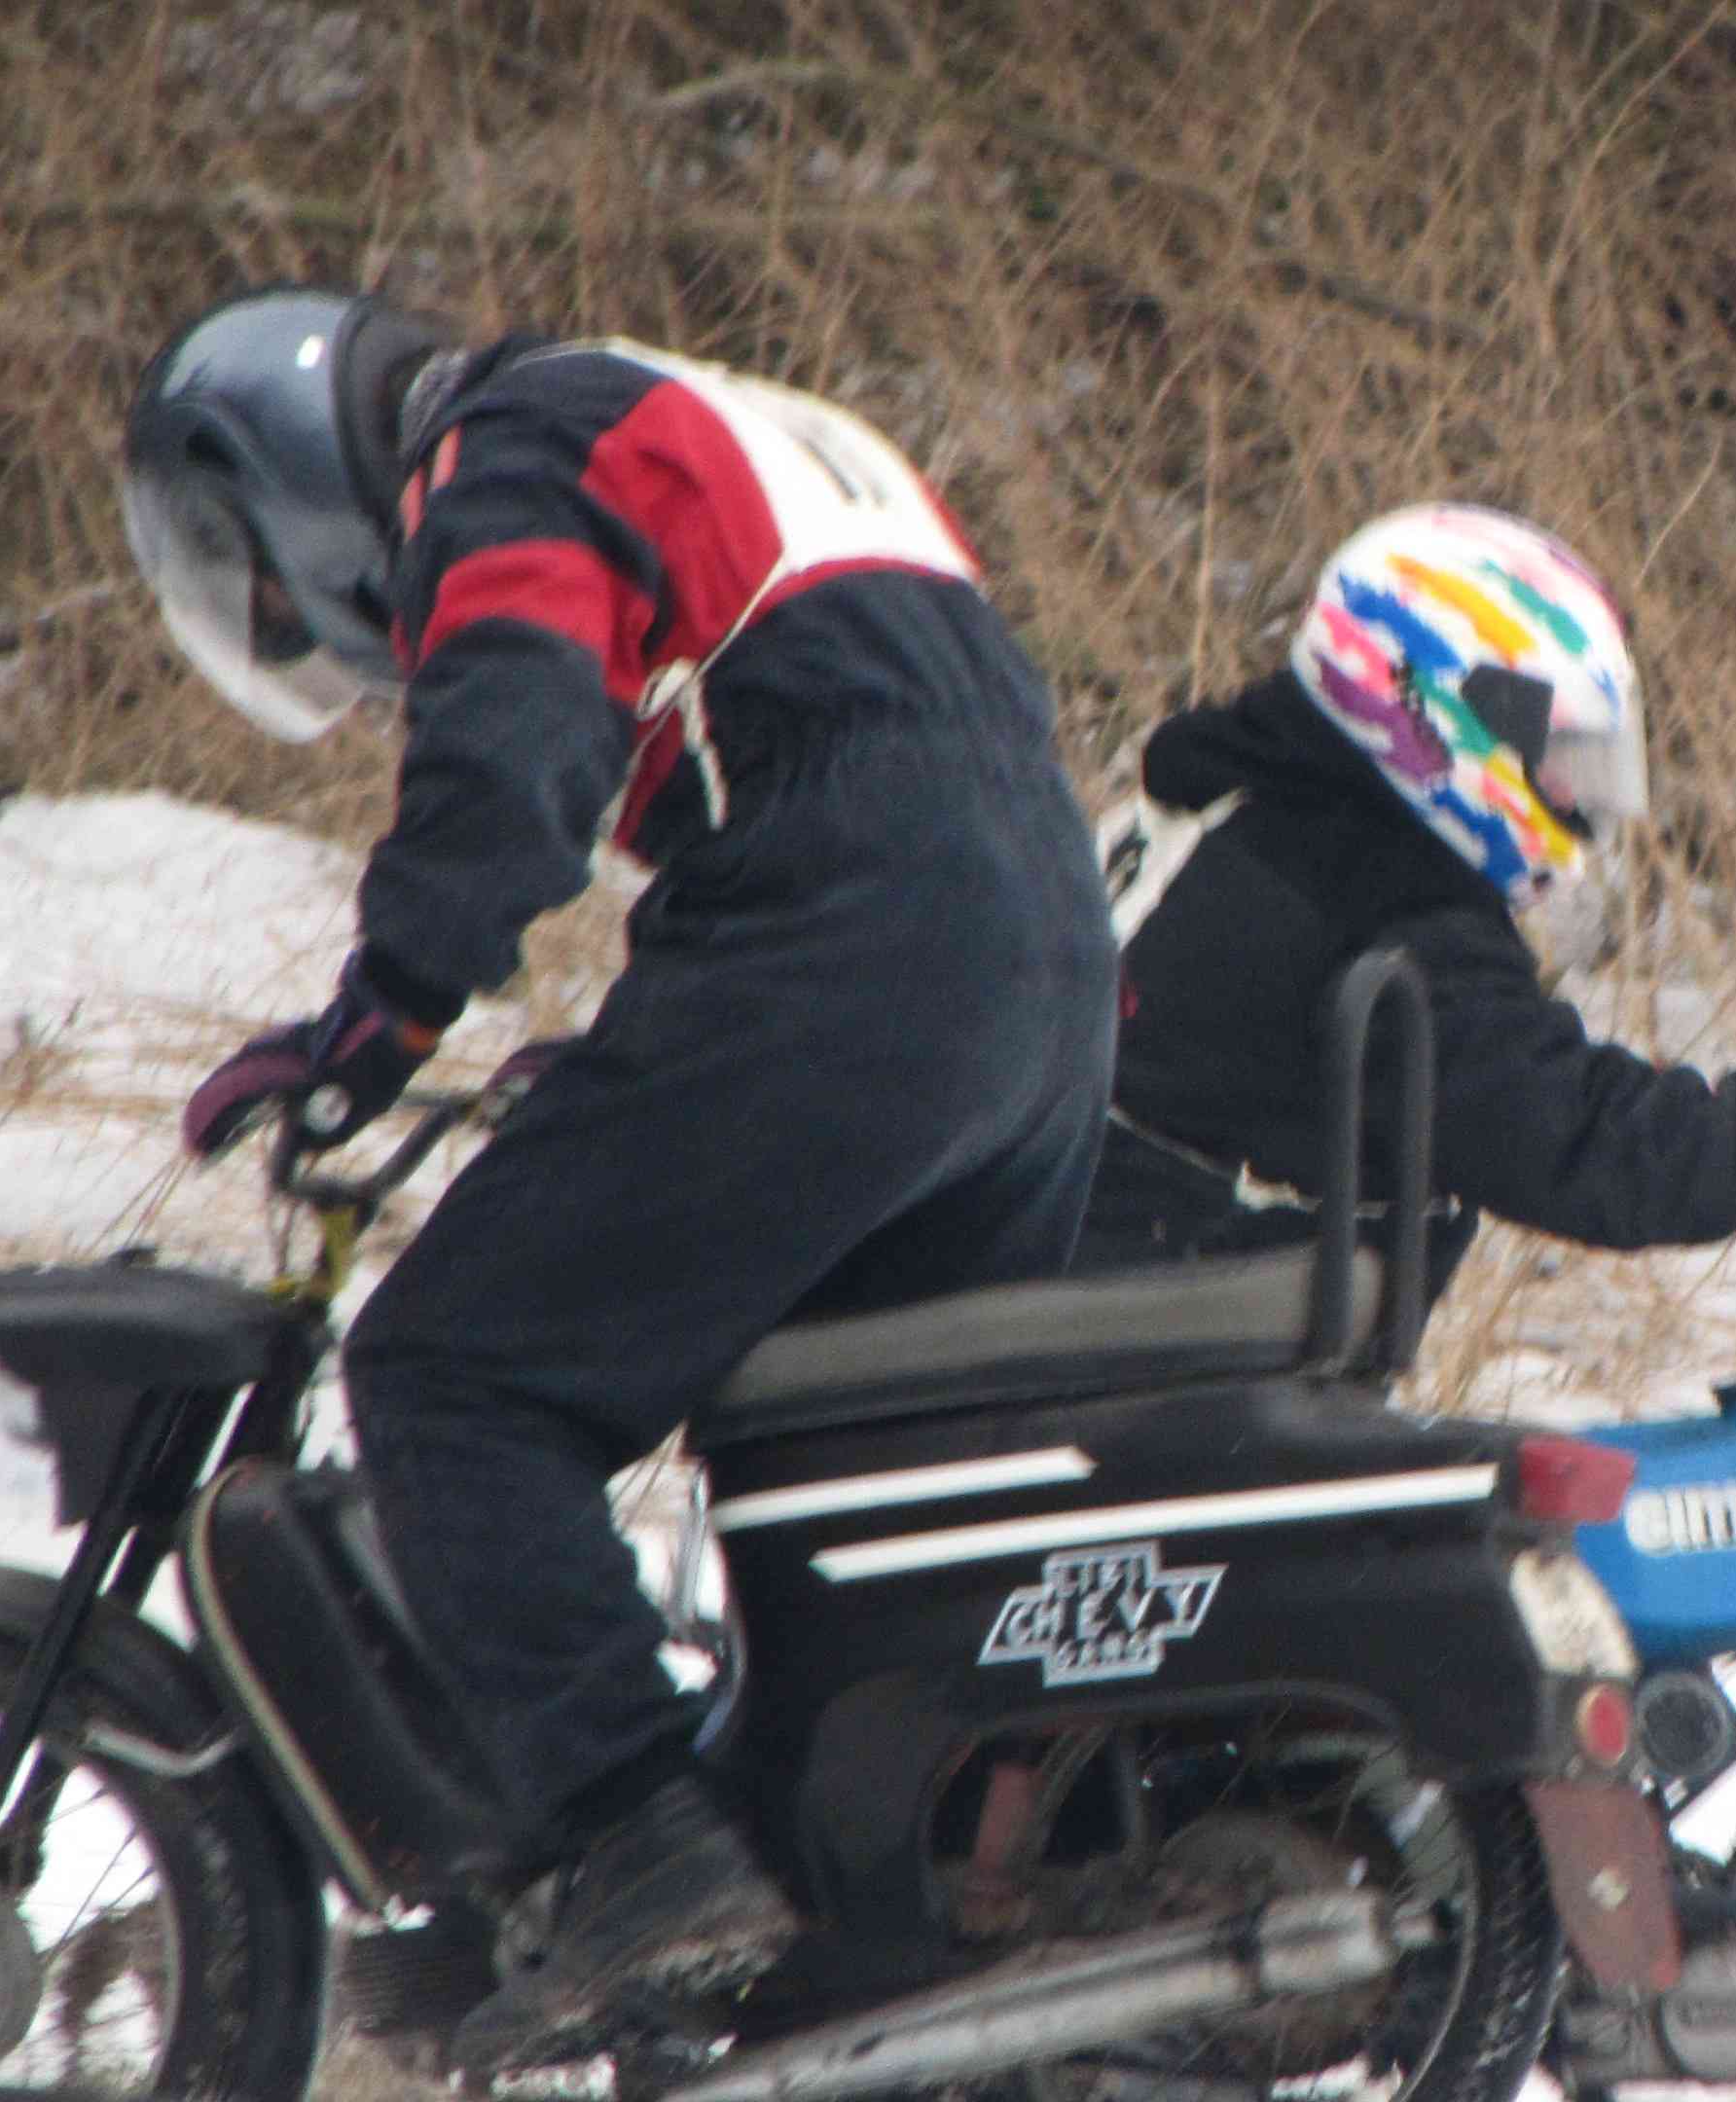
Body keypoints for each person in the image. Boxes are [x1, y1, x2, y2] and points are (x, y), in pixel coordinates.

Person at [122, 285, 1117, 2071]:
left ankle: (631, 1837)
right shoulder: (736, 417)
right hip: (1042, 979)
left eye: (263, 583)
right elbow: (852, 737)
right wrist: (656, 1063)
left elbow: (514, 757)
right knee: (841, 1466)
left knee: (454, 1372)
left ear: (299, 487)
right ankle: (865, 1916)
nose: (300, 627)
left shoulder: (505, 446)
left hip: (857, 941)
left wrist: (381, 1015)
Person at [1071, 500, 1736, 1294]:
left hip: (1087, 1286)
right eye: (1556, 759)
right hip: (1192, 1352)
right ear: (1429, 710)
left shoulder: (1223, 805)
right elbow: (1581, 1144)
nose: (1573, 794)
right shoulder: (1384, 907)